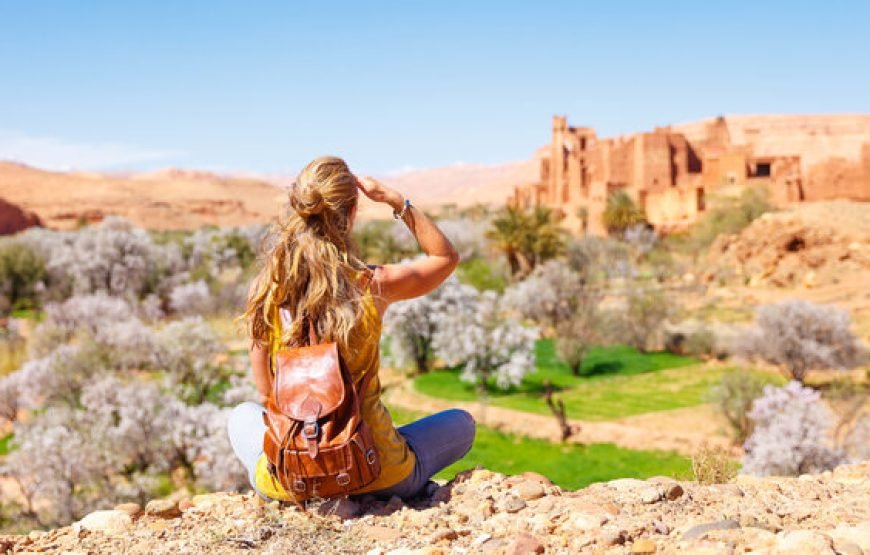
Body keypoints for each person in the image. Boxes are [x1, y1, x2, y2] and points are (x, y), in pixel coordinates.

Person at [228, 156, 476, 502]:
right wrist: (397, 202)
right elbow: (444, 258)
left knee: (241, 416)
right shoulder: (373, 284)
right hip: (380, 472)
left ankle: (304, 477)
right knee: (462, 423)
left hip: (293, 477)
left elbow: (267, 395)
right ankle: (372, 451)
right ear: (352, 212)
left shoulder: (267, 290)